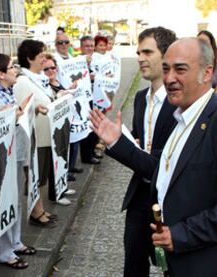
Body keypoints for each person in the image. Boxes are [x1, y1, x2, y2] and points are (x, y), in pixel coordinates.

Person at [89, 37, 217, 276]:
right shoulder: (184, 116)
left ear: (207, 72)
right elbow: (166, 167)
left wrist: (180, 235)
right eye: (166, 69)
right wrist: (118, 142)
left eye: (180, 69)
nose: (169, 78)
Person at [109, 27, 177, 277]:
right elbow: (141, 144)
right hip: (140, 195)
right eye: (138, 52)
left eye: (147, 52)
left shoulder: (180, 101)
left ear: (166, 54)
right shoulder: (139, 98)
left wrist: (118, 144)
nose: (140, 58)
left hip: (171, 198)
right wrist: (130, 144)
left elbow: (166, 160)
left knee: (172, 266)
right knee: (134, 265)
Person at [0, 53, 36, 269]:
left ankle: (15, 241)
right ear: (0, 74)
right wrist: (7, 115)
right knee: (4, 202)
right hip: (2, 159)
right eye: (11, 67)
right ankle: (4, 252)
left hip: (16, 153)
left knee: (16, 200)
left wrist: (22, 110)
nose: (14, 70)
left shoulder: (7, 91)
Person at [13, 39, 61, 222]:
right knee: (36, 175)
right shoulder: (23, 82)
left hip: (45, 135)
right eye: (41, 55)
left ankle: (39, 208)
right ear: (29, 58)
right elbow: (23, 110)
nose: (44, 59)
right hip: (35, 138)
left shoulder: (37, 78)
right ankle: (36, 211)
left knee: (41, 175)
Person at [43, 54, 83, 184]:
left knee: (74, 144)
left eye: (53, 67)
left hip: (69, 120)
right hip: (58, 125)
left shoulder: (58, 81)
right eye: (46, 69)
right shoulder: (45, 87)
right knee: (64, 150)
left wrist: (71, 88)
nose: (50, 71)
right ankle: (64, 173)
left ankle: (70, 168)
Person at [78, 35, 101, 165]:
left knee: (95, 125)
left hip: (97, 98)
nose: (90, 48)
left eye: (92, 46)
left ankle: (92, 151)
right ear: (81, 47)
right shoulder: (77, 62)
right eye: (87, 46)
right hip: (84, 99)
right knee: (87, 127)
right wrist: (89, 79)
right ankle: (86, 156)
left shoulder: (96, 59)